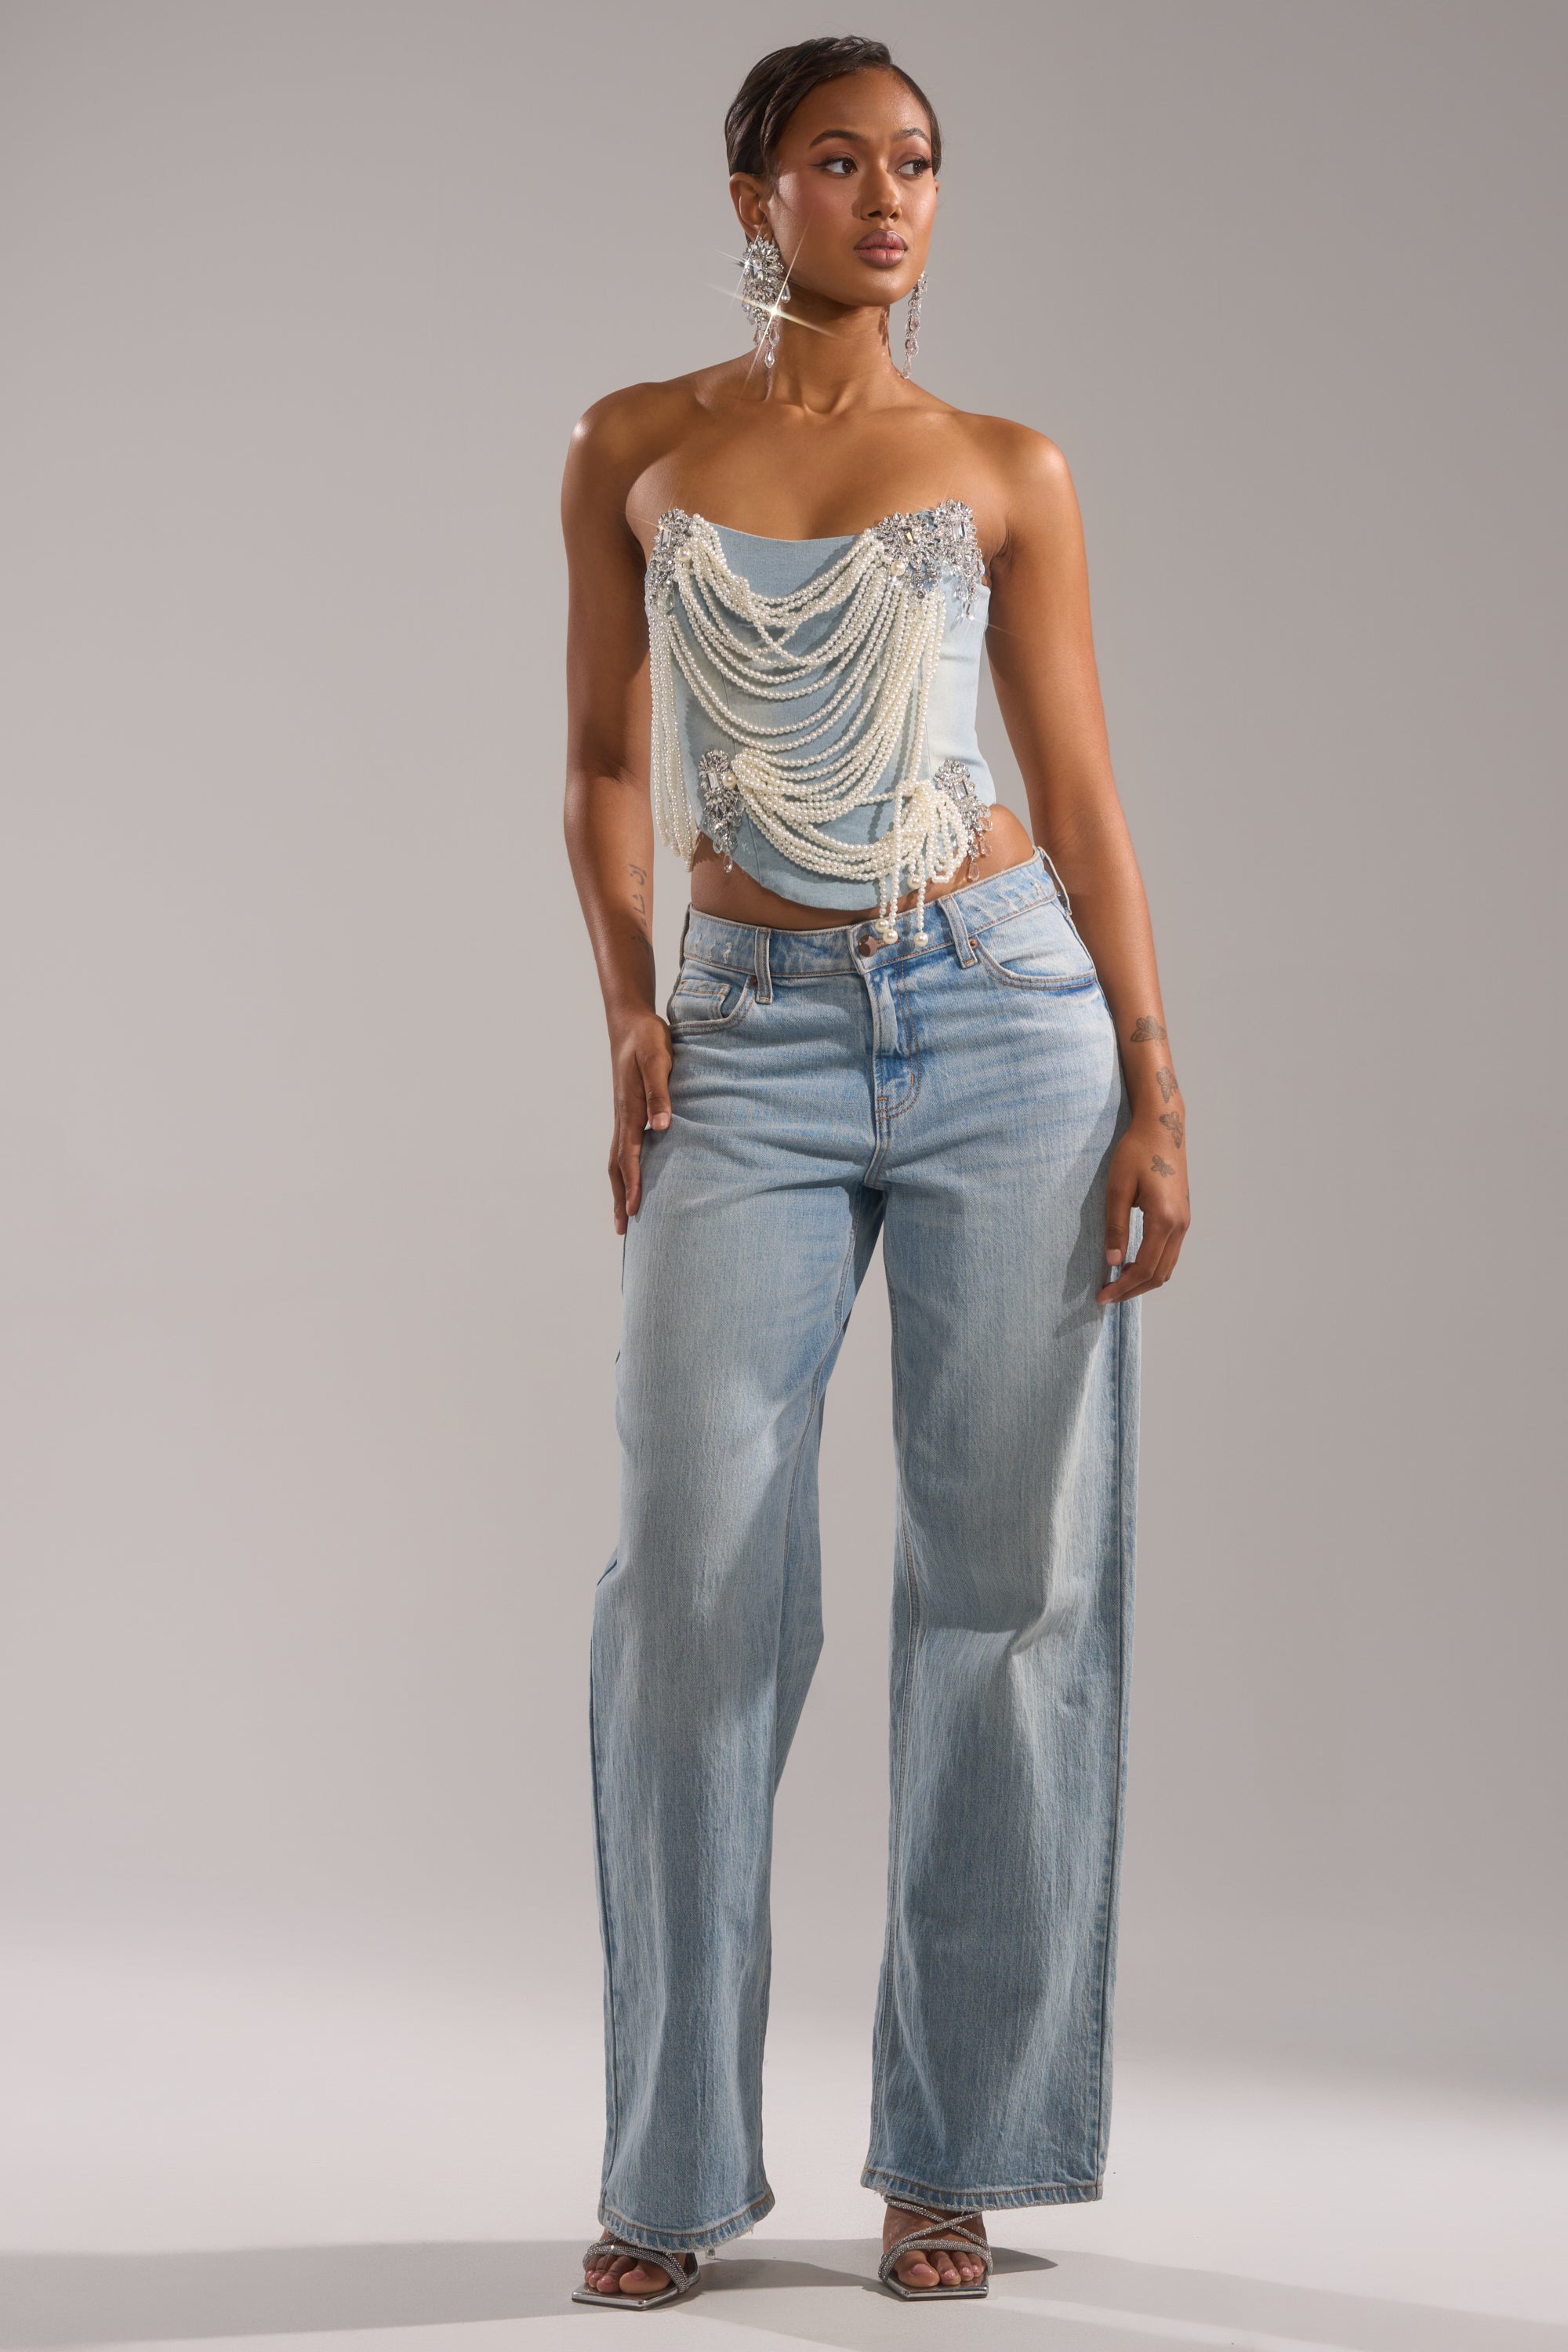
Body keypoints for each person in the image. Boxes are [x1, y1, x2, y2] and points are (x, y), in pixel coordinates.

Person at [561, 34, 1189, 2308]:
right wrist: (627, 1010)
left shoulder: (1006, 466)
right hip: (744, 1036)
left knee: (1009, 1595)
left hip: (1009, 1017)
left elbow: (1080, 792)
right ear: (756, 190)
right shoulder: (634, 449)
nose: (891, 198)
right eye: (842, 161)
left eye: (917, 162)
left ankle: (957, 2154)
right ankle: (668, 2167)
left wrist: (1154, 1075)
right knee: (691, 1585)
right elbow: (601, 763)